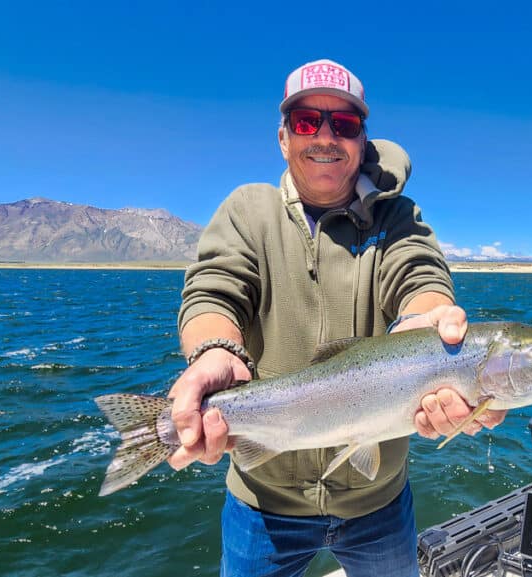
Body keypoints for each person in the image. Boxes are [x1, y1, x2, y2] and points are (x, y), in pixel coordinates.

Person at [167, 58, 507, 577]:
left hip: (379, 506)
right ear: (283, 138)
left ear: (361, 140)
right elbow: (215, 290)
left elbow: (419, 274)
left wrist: (427, 328)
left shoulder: (397, 216)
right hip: (263, 504)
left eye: (344, 124)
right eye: (307, 121)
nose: (325, 136)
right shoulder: (247, 211)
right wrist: (216, 350)